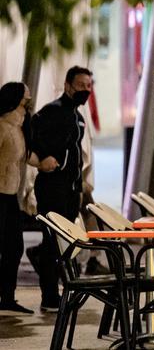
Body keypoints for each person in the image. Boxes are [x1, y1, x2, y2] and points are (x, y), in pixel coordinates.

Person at [27, 66, 92, 312]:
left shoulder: (78, 117)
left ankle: (58, 288)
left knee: (63, 242)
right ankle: (50, 296)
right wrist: (45, 161)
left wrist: (79, 185)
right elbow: (32, 138)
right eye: (81, 85)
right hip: (53, 187)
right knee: (53, 241)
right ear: (67, 85)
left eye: (89, 85)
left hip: (71, 190)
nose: (86, 90)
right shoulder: (52, 112)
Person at [0, 83, 33, 313]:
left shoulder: (19, 128)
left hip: (10, 194)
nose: (27, 106)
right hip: (0, 194)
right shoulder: (2, 127)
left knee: (14, 246)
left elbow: (26, 157)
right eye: (25, 101)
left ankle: (8, 296)